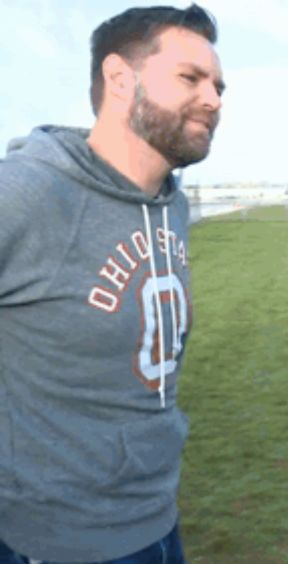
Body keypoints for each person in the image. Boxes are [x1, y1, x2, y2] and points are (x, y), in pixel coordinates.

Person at [0, 4, 223, 562]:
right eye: (190, 78)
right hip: (57, 542)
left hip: (156, 515)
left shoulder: (169, 202)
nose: (215, 100)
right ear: (121, 79)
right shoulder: (28, 192)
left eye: (219, 85)